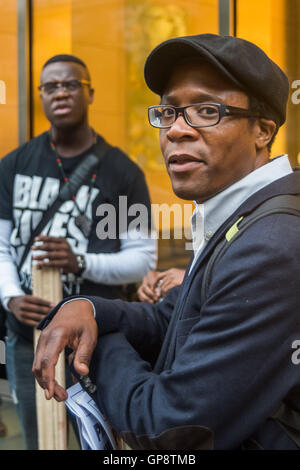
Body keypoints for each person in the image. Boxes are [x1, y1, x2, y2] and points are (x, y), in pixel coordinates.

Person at [33, 34, 300, 450]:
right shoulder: (240, 216)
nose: (176, 129)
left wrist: (98, 344)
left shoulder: (270, 244)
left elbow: (168, 432)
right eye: (170, 111)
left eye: (207, 110)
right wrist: (86, 308)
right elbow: (168, 320)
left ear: (263, 131)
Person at [0, 54, 156, 449]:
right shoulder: (14, 165)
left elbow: (141, 259)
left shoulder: (123, 173)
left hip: (94, 341)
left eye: (70, 84)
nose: (61, 93)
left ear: (89, 93)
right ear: (41, 96)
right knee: (41, 440)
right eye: (50, 87)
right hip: (29, 334)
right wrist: (11, 297)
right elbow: (0, 245)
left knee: (100, 442)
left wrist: (79, 261)